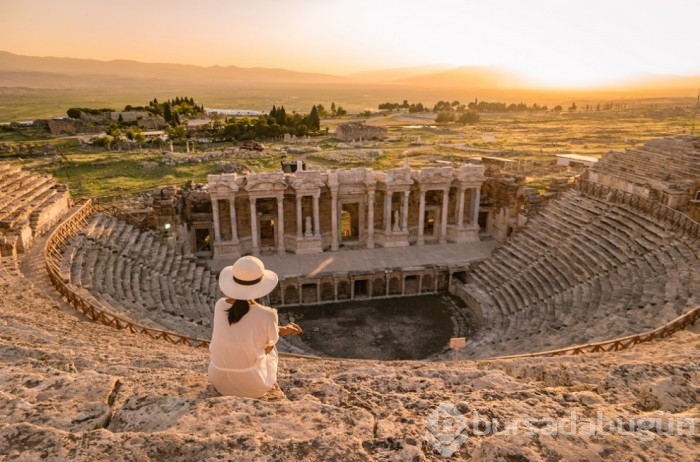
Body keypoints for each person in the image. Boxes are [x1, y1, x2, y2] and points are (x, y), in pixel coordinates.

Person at [208, 255, 302, 398]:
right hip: (252, 386)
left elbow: (243, 327)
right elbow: (266, 348)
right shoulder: (268, 315)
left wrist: (283, 329)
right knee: (272, 347)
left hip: (219, 380)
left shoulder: (220, 305)